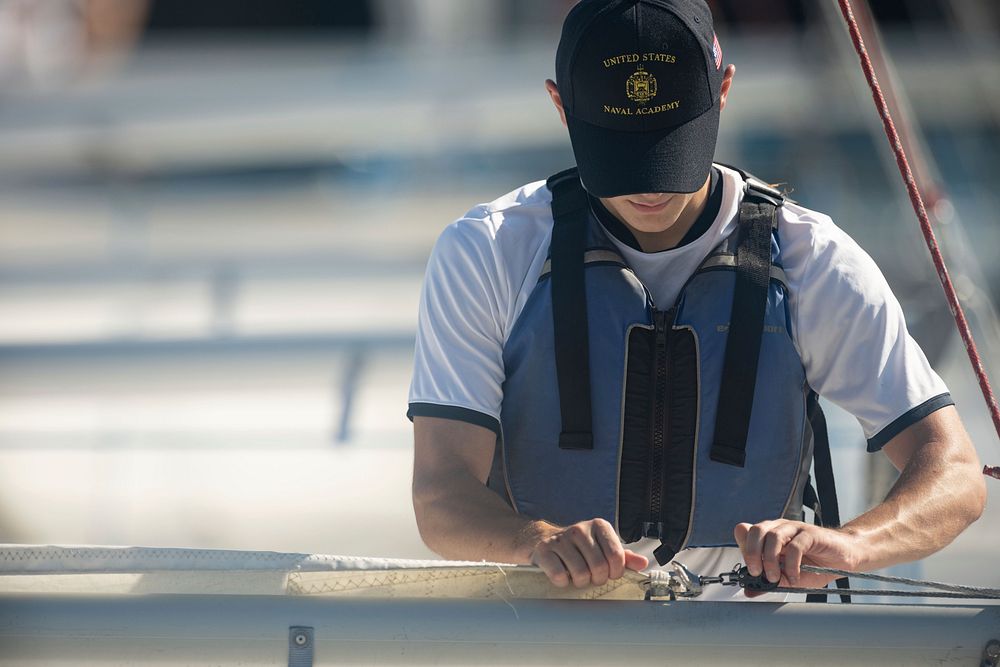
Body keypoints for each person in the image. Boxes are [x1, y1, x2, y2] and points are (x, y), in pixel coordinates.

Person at [407, 0, 985, 599]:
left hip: (749, 643)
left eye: (670, 146)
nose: (649, 185)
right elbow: (441, 495)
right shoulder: (486, 252)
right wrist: (536, 541)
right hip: (549, 634)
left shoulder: (811, 259)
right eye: (621, 152)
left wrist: (852, 545)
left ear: (725, 89)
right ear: (559, 105)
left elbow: (956, 473)